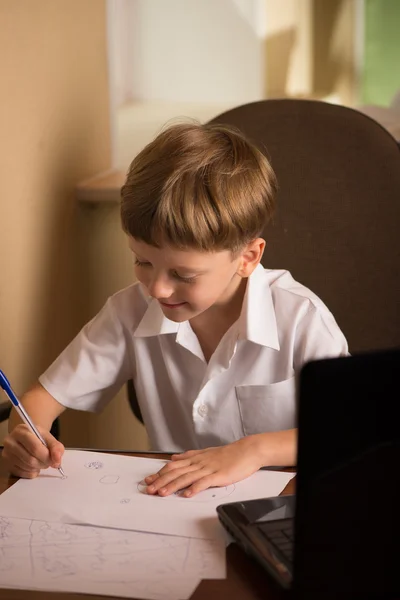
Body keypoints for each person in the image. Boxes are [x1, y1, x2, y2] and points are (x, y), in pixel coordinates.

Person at [3, 122, 348, 497]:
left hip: (285, 505)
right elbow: (42, 398)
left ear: (247, 257)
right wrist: (27, 435)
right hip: (174, 506)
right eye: (142, 262)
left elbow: (355, 428)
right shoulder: (129, 310)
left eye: (183, 274)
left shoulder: (301, 317)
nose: (157, 288)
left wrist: (253, 449)